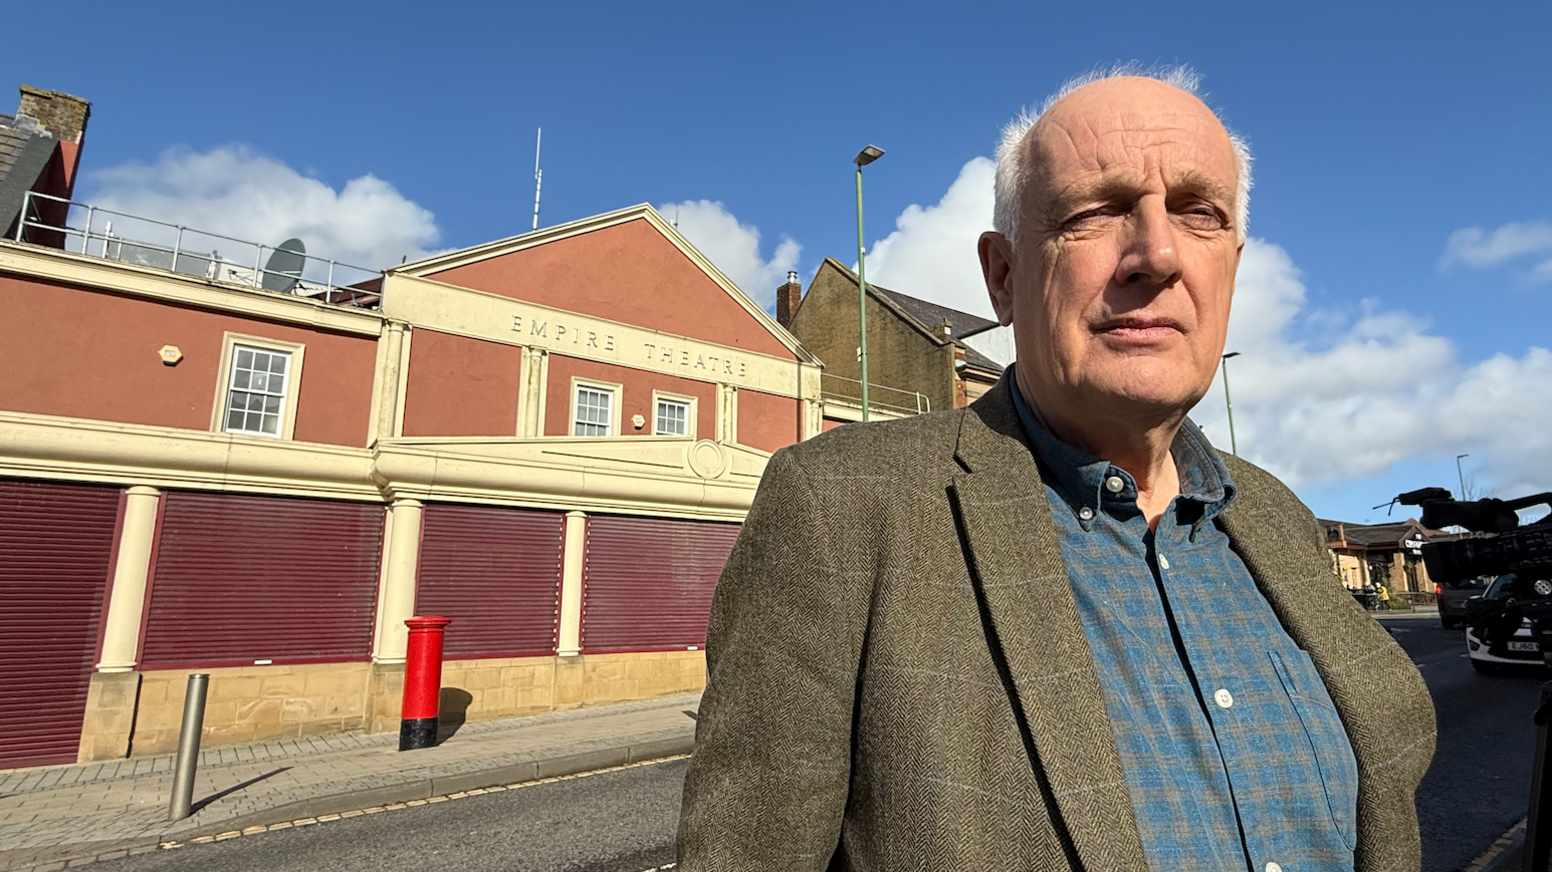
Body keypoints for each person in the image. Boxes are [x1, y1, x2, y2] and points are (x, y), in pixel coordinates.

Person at [677, 65, 1434, 872]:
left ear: (1233, 268)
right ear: (1004, 276)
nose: (1157, 254)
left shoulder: (1276, 514)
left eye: (1197, 211)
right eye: (1095, 212)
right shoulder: (838, 508)